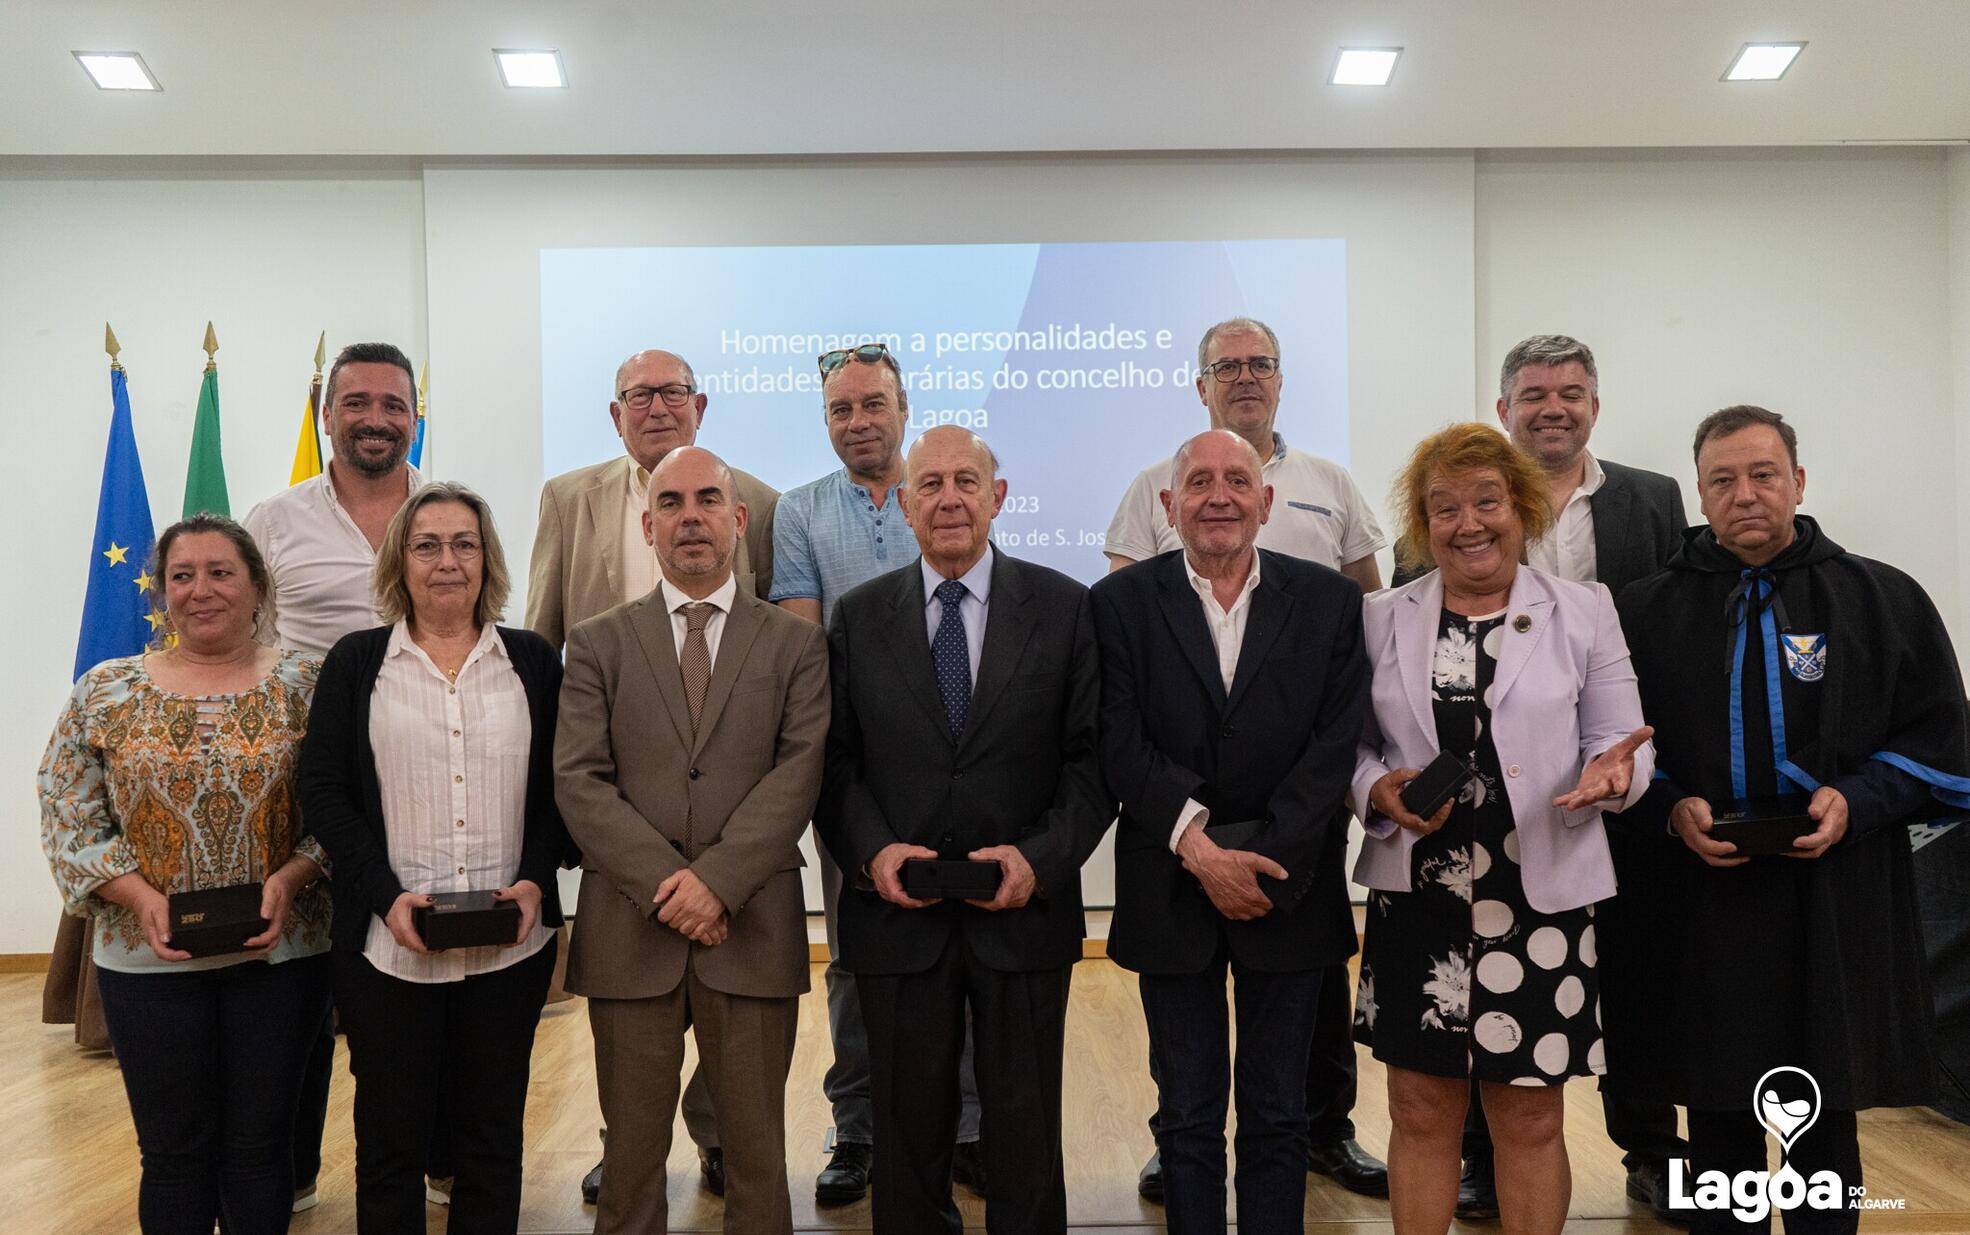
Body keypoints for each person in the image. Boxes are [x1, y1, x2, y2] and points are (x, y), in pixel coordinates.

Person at [1610, 407, 1964, 1234]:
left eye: (1763, 474)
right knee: (1718, 1096)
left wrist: (1860, 798)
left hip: (1833, 891)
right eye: (1722, 481)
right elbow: (1608, 741)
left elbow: (1939, 731)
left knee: (1823, 1103)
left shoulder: (1881, 596)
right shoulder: (1642, 609)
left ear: (1798, 482)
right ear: (1698, 494)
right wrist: (1671, 809)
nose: (1745, 495)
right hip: (1701, 891)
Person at [1393, 335, 1688, 1223]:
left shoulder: (1586, 607)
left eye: (1487, 501)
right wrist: (1374, 790)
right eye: (1445, 507)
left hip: (1544, 890)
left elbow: (1621, 739)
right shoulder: (1385, 615)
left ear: (1519, 509)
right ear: (1424, 521)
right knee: (1418, 1109)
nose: (1468, 521)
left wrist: (1618, 776)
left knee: (1528, 1109)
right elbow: (1360, 750)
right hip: (1423, 890)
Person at [1104, 319, 1389, 1202]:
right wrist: (1198, 844)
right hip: (1169, 883)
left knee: (1277, 1114)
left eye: (1237, 481)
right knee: (1187, 1114)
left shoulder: (1327, 603)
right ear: (1168, 504)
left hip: (1288, 883)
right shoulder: (1120, 605)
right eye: (1198, 483)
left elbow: (1334, 739)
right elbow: (1117, 736)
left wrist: (1268, 850)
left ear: (1267, 502)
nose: (1218, 496)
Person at [818, 425, 1111, 1235]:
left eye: (966, 482)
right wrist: (873, 852)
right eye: (931, 485)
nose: (949, 498)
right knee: (907, 1135)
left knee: (1024, 1132)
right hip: (896, 918)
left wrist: (1040, 860)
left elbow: (1091, 764)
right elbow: (835, 765)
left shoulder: (1064, 607)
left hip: (1022, 915)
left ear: (998, 497)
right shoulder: (858, 615)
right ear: (906, 505)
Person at [527, 347, 779, 1202]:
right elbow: (543, 640)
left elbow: (768, 675)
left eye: (674, 392)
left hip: (738, 863)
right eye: (640, 394)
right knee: (632, 1105)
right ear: (615, 412)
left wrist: (719, 873)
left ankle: (716, 1139)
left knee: (748, 1107)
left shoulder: (764, 502)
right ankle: (627, 1144)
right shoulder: (570, 500)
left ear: (700, 405)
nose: (658, 406)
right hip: (624, 836)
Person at [555, 446, 828, 1235]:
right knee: (631, 1164)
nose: (691, 516)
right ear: (648, 526)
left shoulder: (795, 645)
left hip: (751, 923)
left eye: (710, 499)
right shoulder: (599, 642)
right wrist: (673, 889)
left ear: (740, 521)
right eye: (671, 503)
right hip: (629, 930)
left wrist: (718, 882)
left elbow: (798, 773)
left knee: (756, 1159)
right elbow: (579, 781)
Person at [39, 514, 333, 1234]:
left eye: (221, 571)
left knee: (260, 1150)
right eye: (182, 575)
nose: (201, 590)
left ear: (258, 586)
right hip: (146, 965)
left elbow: (347, 807)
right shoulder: (103, 691)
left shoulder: (312, 685)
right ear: (162, 592)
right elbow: (66, 811)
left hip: (282, 956)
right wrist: (138, 895)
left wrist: (293, 877)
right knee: (171, 1152)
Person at [299, 482, 569, 1233]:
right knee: (390, 1142)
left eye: (464, 543)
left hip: (511, 946)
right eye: (427, 545)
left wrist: (535, 883)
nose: (447, 560)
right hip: (388, 949)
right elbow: (322, 790)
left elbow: (563, 788)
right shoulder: (357, 663)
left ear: (487, 559)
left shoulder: (533, 661)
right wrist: (386, 894)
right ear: (400, 560)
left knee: (490, 1141)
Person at [770, 343, 985, 1202]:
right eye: (839, 410)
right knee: (857, 958)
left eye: (872, 404)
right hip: (857, 772)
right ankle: (856, 1128)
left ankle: (968, 1127)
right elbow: (803, 649)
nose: (857, 421)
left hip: (965, 765)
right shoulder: (798, 512)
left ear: (904, 407)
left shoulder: (943, 486)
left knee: (967, 946)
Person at [241, 339, 430, 1210]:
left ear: (414, 416)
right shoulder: (273, 519)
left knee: (424, 971)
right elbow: (252, 643)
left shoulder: (446, 508)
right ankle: (299, 1169)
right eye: (357, 403)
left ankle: (435, 1154)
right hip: (306, 780)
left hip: (430, 770)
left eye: (393, 404)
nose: (376, 420)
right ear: (329, 417)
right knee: (305, 982)